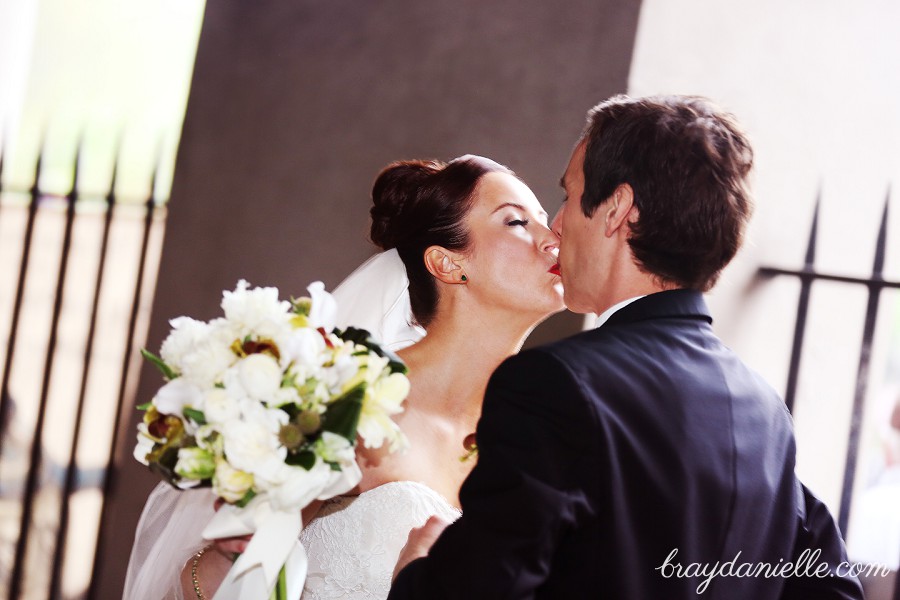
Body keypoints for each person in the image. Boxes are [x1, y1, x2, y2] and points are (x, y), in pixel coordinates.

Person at [388, 95, 865, 599]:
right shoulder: (762, 410)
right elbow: (836, 591)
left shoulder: (556, 383)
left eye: (568, 196)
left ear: (615, 210)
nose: (556, 223)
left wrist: (417, 570)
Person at [123, 155, 565, 599]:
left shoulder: (533, 432)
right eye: (515, 222)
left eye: (545, 220)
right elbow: (222, 579)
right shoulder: (348, 396)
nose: (552, 240)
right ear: (447, 264)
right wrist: (234, 553)